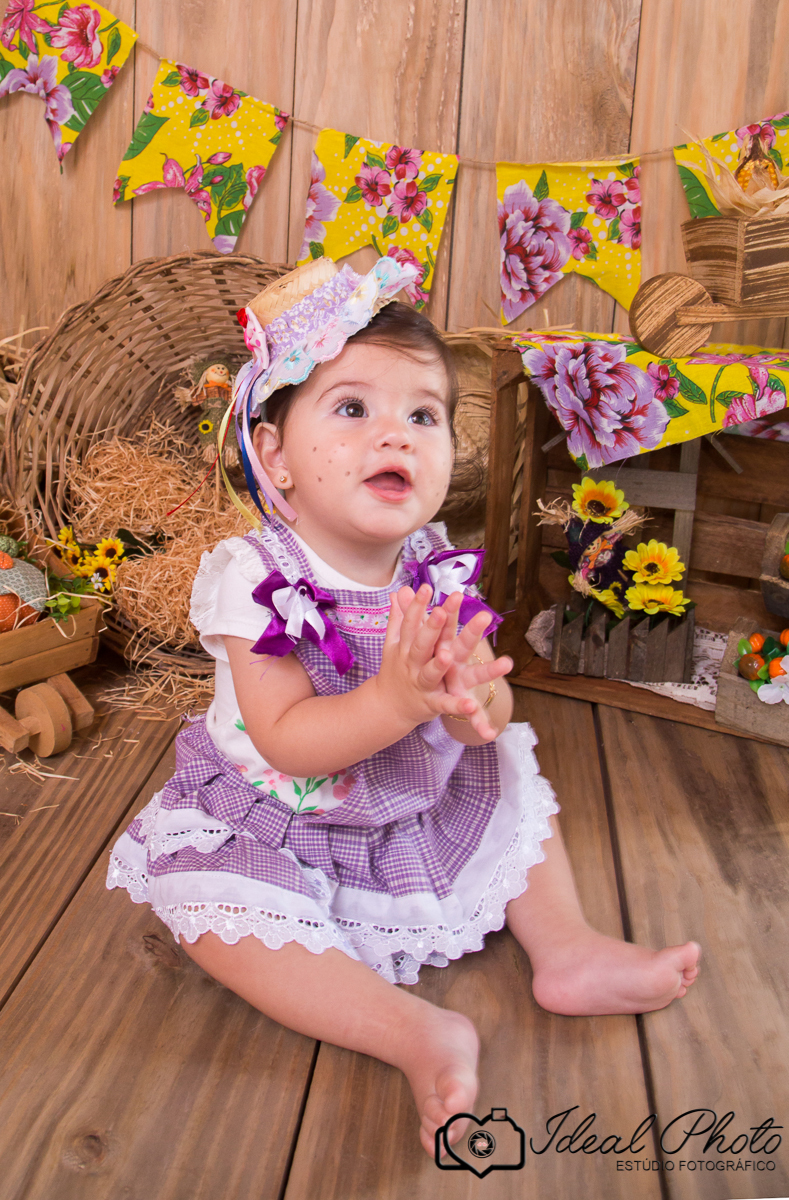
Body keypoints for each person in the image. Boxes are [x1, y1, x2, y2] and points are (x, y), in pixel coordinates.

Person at [107, 255, 700, 1157]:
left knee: (505, 775)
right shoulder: (255, 577)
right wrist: (394, 697)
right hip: (278, 819)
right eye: (352, 408)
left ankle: (568, 947)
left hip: (410, 798)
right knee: (208, 909)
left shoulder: (431, 564)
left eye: (423, 415)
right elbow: (286, 741)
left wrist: (473, 697)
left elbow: (485, 709)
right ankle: (412, 1031)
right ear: (275, 456)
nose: (396, 434)